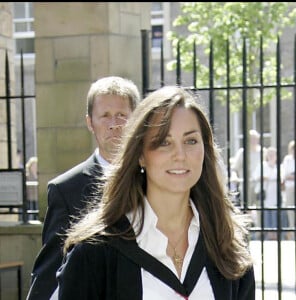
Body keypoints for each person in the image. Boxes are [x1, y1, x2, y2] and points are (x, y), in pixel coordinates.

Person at [55, 86, 255, 299]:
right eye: (164, 143)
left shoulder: (227, 241)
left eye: (190, 141)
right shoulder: (95, 252)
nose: (180, 155)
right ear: (140, 155)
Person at [26, 76, 140, 300]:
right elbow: (50, 269)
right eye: (105, 116)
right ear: (90, 123)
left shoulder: (156, 179)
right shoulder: (66, 189)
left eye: (121, 115)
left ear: (136, 120)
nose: (114, 124)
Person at [231, 129, 265, 235]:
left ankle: (260, 232)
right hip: (246, 183)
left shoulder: (262, 152)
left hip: (260, 184)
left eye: (255, 139)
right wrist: (235, 177)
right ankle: (246, 231)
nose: (254, 141)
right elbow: (234, 168)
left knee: (260, 207)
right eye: (252, 139)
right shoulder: (242, 152)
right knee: (246, 207)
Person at [253, 147, 282, 240]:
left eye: (273, 154)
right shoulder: (262, 165)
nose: (271, 156)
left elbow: (282, 179)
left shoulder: (278, 167)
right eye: (269, 154)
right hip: (264, 194)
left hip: (275, 194)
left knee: (274, 213)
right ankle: (268, 233)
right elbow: (256, 176)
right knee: (265, 213)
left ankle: (274, 233)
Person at [281, 140, 296, 236]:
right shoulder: (287, 159)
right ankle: (293, 231)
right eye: (294, 149)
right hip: (289, 187)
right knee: (290, 209)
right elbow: (284, 174)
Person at [25, 156, 39, 221]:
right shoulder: (27, 176)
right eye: (33, 165)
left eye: (36, 165)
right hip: (29, 198)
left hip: (37, 198)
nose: (35, 167)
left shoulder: (39, 176)